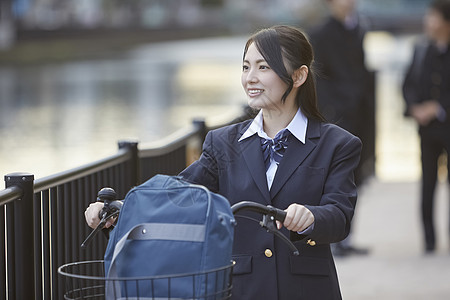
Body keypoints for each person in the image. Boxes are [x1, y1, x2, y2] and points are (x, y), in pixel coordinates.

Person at [86, 25, 362, 300]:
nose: (250, 78)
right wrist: (121, 208)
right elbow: (179, 193)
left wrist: (311, 217)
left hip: (306, 290)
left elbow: (339, 216)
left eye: (263, 67)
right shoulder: (222, 142)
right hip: (240, 288)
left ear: (299, 75)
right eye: (245, 67)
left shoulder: (337, 144)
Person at [308, 0, 373, 257]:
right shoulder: (319, 33)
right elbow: (318, 76)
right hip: (336, 117)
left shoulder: (358, 29)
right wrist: (332, 111)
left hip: (360, 114)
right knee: (331, 177)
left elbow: (362, 71)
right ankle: (330, 238)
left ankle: (346, 237)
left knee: (353, 178)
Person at [402, 0, 450, 254]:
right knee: (428, 184)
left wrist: (438, 106)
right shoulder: (421, 49)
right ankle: (429, 241)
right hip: (427, 131)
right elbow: (408, 84)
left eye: (433, 17)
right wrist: (415, 108)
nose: (428, 21)